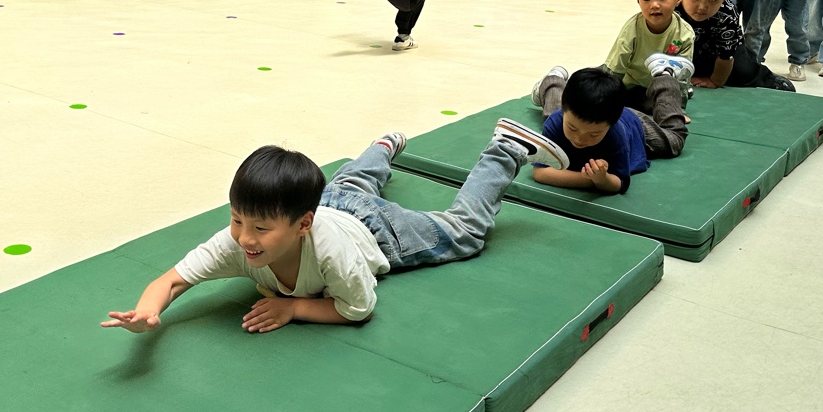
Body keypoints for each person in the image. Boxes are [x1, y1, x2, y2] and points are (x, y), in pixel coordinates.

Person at [102, 118, 559, 334]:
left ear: (302, 224)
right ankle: (382, 146)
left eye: (260, 228)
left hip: (378, 230)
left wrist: (293, 308)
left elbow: (358, 308)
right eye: (237, 218)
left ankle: (504, 149)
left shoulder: (332, 256)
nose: (245, 237)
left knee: (464, 232)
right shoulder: (237, 243)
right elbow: (172, 281)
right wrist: (147, 312)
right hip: (331, 203)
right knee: (348, 184)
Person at [529, 66, 686, 194]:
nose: (579, 139)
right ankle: (553, 79)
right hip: (583, 116)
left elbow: (618, 183)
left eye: (594, 134)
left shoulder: (616, 135)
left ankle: (664, 77)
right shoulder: (558, 120)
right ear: (564, 112)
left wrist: (602, 179)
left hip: (634, 123)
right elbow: (540, 173)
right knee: (551, 115)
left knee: (674, 141)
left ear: (610, 126)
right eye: (572, 128)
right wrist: (591, 180)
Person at [678, 0, 793, 91]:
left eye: (713, 0)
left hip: (719, 50)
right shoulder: (671, 6)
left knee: (743, 72)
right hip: (682, 48)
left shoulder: (727, 14)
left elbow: (726, 56)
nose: (702, 7)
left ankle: (767, 78)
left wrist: (715, 81)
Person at [603, 0, 695, 111]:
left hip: (661, 86)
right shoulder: (632, 29)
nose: (654, 5)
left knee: (659, 103)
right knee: (593, 80)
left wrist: (679, 108)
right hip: (631, 85)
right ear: (638, 0)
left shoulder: (684, 34)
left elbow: (683, 76)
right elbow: (615, 70)